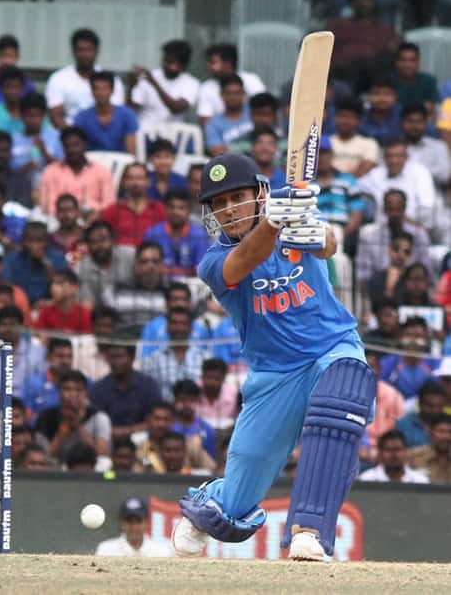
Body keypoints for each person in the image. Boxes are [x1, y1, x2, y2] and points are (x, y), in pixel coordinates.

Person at [171, 153, 376, 562]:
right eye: (219, 203)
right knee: (234, 507)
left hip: (331, 346)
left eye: (238, 196)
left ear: (260, 193)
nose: (230, 209)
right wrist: (272, 223)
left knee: (341, 399)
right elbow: (245, 260)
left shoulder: (291, 217)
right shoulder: (212, 262)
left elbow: (330, 246)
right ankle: (210, 503)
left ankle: (309, 531)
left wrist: (317, 233)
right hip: (274, 375)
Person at [356, 189, 432, 319]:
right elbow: (363, 276)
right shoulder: (370, 237)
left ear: (404, 209)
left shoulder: (419, 235)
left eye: (398, 209)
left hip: (412, 291)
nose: (395, 214)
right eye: (391, 209)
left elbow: (427, 272)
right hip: (378, 288)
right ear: (384, 210)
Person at [325, 0, 399, 94]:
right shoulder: (337, 27)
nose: (362, 3)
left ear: (374, 0)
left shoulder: (386, 31)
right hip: (343, 79)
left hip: (376, 82)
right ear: (351, 2)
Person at [45, 28, 124, 129]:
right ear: (73, 51)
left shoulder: (112, 80)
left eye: (89, 50)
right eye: (80, 50)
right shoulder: (58, 79)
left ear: (96, 52)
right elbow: (56, 116)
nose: (85, 55)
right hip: (69, 138)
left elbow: (116, 115)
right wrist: (73, 138)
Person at [36, 369, 111, 464]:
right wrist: (63, 429)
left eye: (78, 390)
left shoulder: (99, 417)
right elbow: (44, 458)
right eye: (67, 389)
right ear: (59, 392)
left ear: (86, 393)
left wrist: (78, 425)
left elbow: (102, 454)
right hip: (56, 469)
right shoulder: (46, 416)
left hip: (89, 468)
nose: (72, 394)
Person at [359, 138, 436, 229]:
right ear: (384, 158)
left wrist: (413, 225)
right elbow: (356, 186)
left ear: (406, 157)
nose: (394, 160)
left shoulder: (420, 172)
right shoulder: (376, 174)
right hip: (382, 228)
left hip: (413, 226)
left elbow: (427, 207)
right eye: (389, 156)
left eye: (399, 156)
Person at [39, 126, 115, 218]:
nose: (72, 150)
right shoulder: (51, 171)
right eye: (67, 146)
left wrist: (95, 214)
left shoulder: (102, 171)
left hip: (94, 221)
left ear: (85, 145)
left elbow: (109, 204)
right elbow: (49, 206)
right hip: (61, 221)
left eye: (76, 145)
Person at [90, 343, 162, 440]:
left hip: (143, 439)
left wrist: (126, 431)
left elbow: (156, 420)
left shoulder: (148, 386)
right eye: (112, 357)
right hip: (109, 440)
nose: (115, 362)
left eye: (120, 357)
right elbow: (96, 424)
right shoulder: (99, 388)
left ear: (131, 358)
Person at [141, 307, 209, 402]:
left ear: (191, 328)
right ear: (167, 327)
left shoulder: (205, 358)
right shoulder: (152, 360)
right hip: (165, 414)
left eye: (183, 324)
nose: (179, 328)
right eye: (174, 323)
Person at [101, 241, 167, 334]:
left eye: (155, 261)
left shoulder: (172, 293)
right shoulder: (115, 291)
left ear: (162, 265)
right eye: (144, 261)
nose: (150, 266)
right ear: (136, 265)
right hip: (124, 344)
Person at [129, 39, 199, 125]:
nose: (165, 65)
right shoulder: (149, 76)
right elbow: (131, 109)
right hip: (146, 131)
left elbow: (176, 109)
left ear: (183, 65)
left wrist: (154, 83)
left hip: (173, 134)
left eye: (171, 62)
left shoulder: (191, 83)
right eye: (165, 60)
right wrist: (131, 86)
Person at [143, 189, 210, 279]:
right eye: (171, 207)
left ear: (189, 211)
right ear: (165, 208)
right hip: (158, 284)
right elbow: (147, 267)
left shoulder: (200, 234)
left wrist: (168, 271)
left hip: (192, 285)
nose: (176, 212)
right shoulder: (152, 233)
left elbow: (200, 270)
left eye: (181, 208)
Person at [197, 43, 265, 125]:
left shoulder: (251, 80)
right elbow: (205, 120)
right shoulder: (206, 88)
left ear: (227, 64)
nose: (209, 67)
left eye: (213, 62)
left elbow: (264, 110)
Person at [1, 221, 68, 305]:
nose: (34, 246)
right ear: (23, 241)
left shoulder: (58, 257)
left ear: (47, 241)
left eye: (39, 241)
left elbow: (65, 288)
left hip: (50, 306)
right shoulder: (12, 259)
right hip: (20, 306)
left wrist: (45, 263)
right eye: (30, 241)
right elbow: (6, 286)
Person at [75, 220, 135, 311]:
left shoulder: (130, 256)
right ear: (88, 245)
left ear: (112, 240)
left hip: (131, 310)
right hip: (99, 318)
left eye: (103, 239)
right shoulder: (80, 268)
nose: (99, 245)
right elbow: (86, 306)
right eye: (93, 242)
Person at [380, 317, 439, 409]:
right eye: (408, 335)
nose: (413, 341)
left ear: (426, 339)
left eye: (418, 336)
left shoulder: (435, 363)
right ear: (401, 337)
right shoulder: (388, 363)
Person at [140, 281, 210, 359]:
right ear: (166, 303)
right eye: (175, 299)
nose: (179, 303)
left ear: (189, 303)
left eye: (183, 299)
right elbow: (146, 358)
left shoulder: (201, 329)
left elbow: (205, 358)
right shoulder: (152, 327)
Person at [102, 162, 166, 247]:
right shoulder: (112, 211)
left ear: (148, 181)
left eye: (139, 178)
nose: (135, 183)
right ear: (124, 182)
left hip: (151, 257)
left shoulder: (160, 209)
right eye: (130, 178)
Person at [74, 70, 138, 153]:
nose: (100, 93)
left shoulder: (127, 115)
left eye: (105, 88)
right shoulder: (82, 117)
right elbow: (80, 147)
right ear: (92, 91)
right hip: (92, 162)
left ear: (112, 90)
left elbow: (131, 151)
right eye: (96, 88)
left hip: (121, 162)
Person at [10, 92, 64, 186]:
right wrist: (27, 167)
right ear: (21, 115)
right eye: (29, 116)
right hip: (21, 188)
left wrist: (44, 152)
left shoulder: (56, 136)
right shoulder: (13, 139)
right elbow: (9, 173)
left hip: (51, 186)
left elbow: (62, 168)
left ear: (44, 116)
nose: (33, 120)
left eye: (37, 116)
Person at [96, 497, 173, 557]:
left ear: (146, 522)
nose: (134, 527)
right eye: (129, 522)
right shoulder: (106, 550)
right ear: (121, 523)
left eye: (138, 522)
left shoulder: (162, 551)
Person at [22, 337, 75, 421]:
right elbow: (26, 417)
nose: (66, 361)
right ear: (48, 357)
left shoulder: (81, 383)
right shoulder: (34, 383)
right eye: (60, 356)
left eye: (69, 356)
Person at [401, 102, 451, 188]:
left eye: (419, 121)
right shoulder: (393, 147)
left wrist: (412, 171)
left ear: (426, 123)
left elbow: (445, 175)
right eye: (410, 121)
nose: (415, 126)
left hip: (434, 197)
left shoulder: (438, 147)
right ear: (402, 123)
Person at [365, 349, 405, 453]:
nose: (367, 371)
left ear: (379, 369)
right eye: (363, 367)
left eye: (371, 366)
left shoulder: (393, 395)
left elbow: (400, 427)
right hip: (360, 450)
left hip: (388, 449)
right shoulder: (348, 394)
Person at [204, 75, 253, 156]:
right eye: (229, 93)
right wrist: (251, 146)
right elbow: (217, 152)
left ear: (244, 94)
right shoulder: (213, 124)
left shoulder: (255, 113)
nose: (233, 97)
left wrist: (228, 148)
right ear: (221, 95)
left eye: (236, 93)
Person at [330, 96, 379, 177]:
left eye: (349, 117)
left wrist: (344, 179)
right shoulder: (326, 142)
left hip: (358, 186)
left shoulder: (369, 143)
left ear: (359, 120)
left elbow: (365, 169)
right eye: (341, 116)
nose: (345, 121)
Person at [358, 429, 429, 483]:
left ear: (406, 452)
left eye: (398, 449)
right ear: (380, 453)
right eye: (388, 450)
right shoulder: (365, 480)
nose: (394, 454)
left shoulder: (420, 481)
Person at [36, 268, 92, 334]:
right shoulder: (45, 312)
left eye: (60, 283)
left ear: (74, 288)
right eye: (52, 283)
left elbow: (86, 341)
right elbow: (39, 341)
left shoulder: (83, 314)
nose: (53, 287)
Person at [390, 42, 440, 115]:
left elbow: (429, 108)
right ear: (396, 62)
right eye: (403, 60)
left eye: (412, 60)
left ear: (418, 62)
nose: (408, 65)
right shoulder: (388, 81)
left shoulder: (429, 81)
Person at [172, 379, 216, 460]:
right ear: (175, 401)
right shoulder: (167, 426)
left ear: (198, 401)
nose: (187, 405)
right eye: (182, 400)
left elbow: (210, 461)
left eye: (192, 400)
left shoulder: (206, 429)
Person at [396, 380, 446, 448]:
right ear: (420, 403)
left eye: (439, 406)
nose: (435, 410)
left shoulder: (448, 423)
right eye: (430, 406)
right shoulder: (404, 424)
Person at [407, 413, 451, 484]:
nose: (446, 436)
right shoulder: (413, 456)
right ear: (430, 432)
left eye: (450, 432)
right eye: (441, 431)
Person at [198, 357, 239, 431]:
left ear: (224, 378)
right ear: (202, 376)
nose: (212, 382)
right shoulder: (194, 390)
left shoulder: (234, 393)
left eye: (217, 378)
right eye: (209, 377)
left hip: (226, 434)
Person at [359, 78, 402, 145]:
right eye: (376, 94)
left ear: (395, 96)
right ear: (369, 96)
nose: (382, 98)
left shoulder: (403, 115)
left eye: (387, 94)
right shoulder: (360, 116)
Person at [145, 138, 187, 202]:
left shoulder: (183, 181)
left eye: (167, 156)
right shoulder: (144, 180)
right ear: (150, 159)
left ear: (174, 159)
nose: (163, 162)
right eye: (158, 156)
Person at [48, 193, 84, 259]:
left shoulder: (87, 236)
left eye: (70, 210)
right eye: (62, 210)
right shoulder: (50, 240)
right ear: (56, 213)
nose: (66, 215)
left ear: (78, 212)